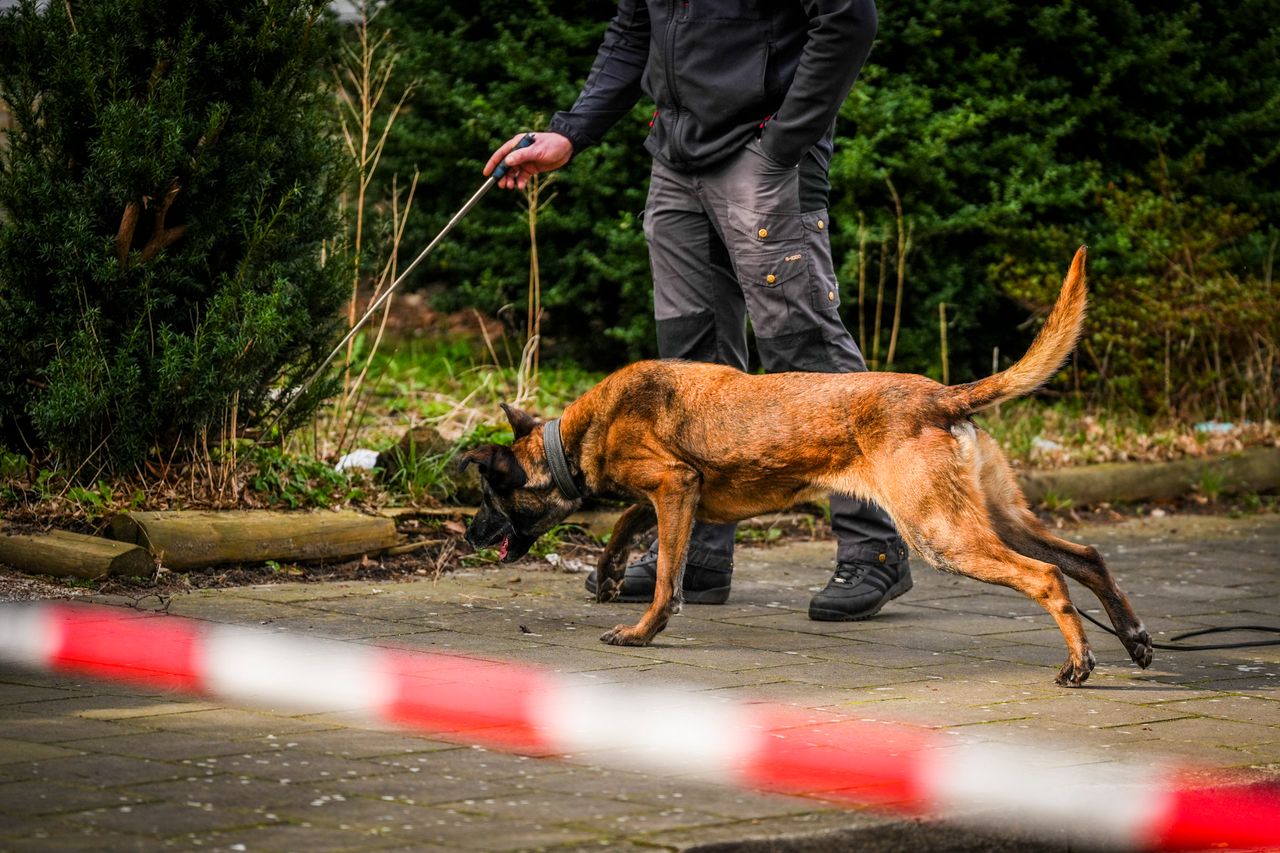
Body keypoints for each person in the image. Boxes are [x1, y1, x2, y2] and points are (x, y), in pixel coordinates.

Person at [484, 0, 911, 621]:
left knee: (804, 350)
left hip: (766, 154)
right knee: (688, 368)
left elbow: (850, 19)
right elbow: (633, 30)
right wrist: (571, 131)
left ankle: (874, 547)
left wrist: (784, 142)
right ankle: (698, 558)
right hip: (676, 160)